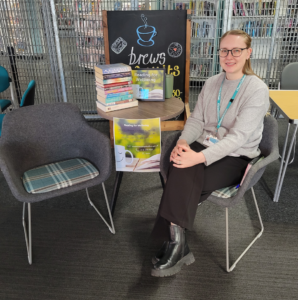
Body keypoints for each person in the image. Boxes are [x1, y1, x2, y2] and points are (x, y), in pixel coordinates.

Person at [151, 30, 270, 277]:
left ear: (248, 53)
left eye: (236, 50)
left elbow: (238, 138)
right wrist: (183, 142)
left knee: (180, 174)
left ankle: (175, 242)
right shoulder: (211, 82)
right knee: (178, 163)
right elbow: (196, 120)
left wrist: (198, 157)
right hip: (205, 144)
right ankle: (178, 242)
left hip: (237, 156)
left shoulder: (257, 89)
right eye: (224, 50)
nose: (229, 56)